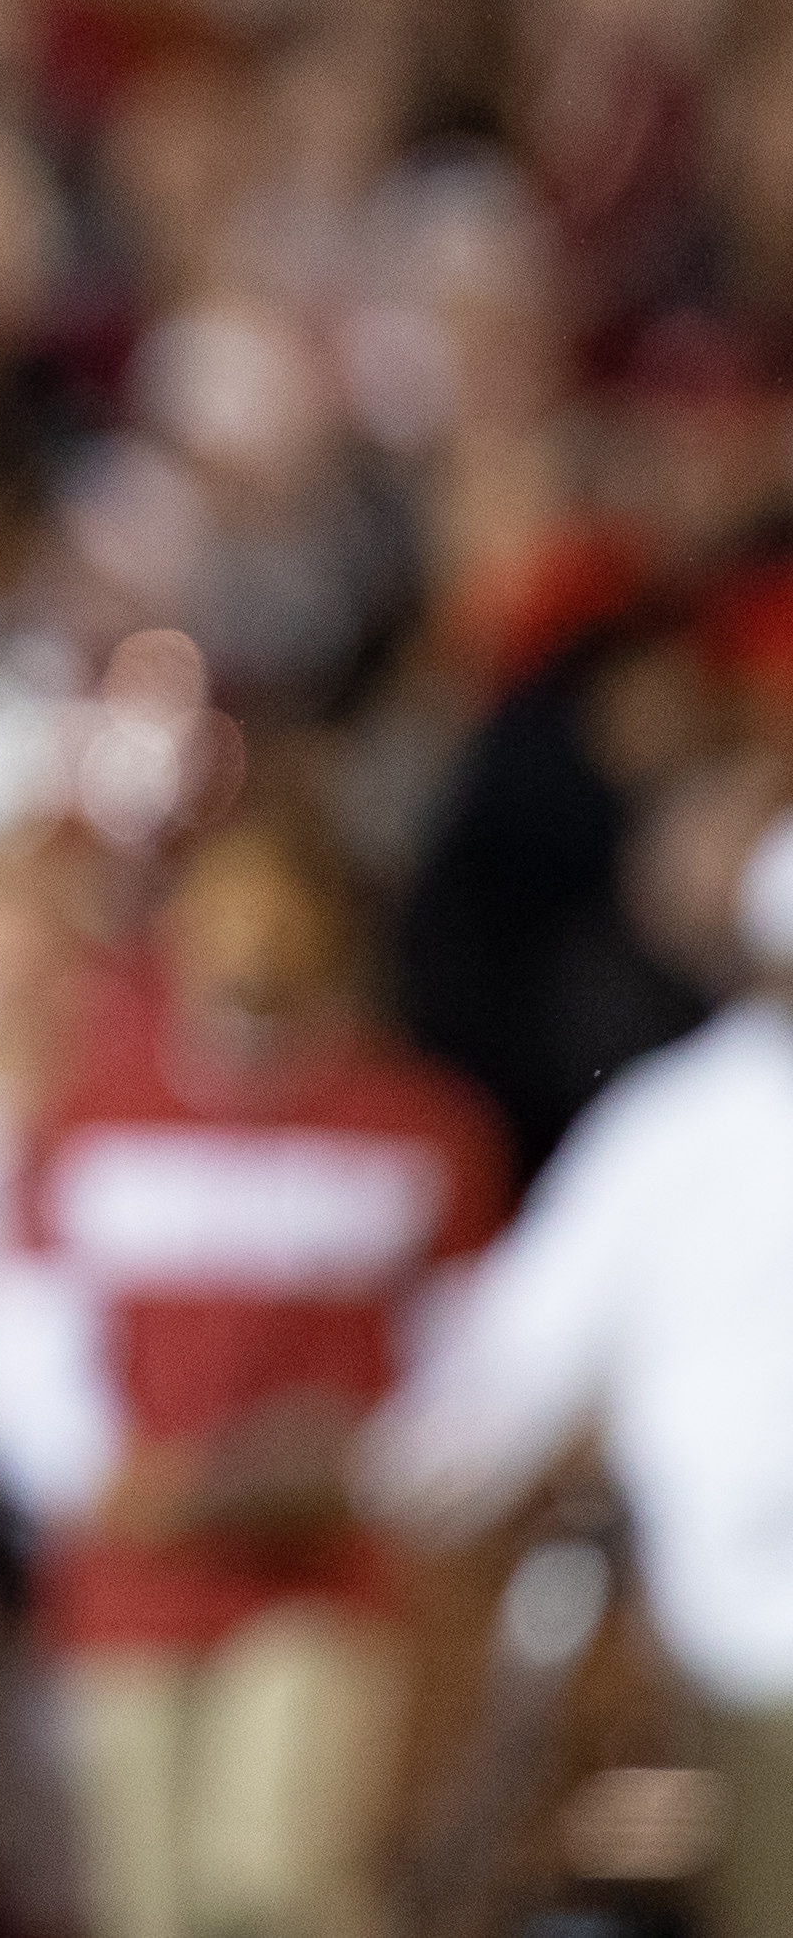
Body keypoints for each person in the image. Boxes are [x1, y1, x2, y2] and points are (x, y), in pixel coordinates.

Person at [0, 810, 504, 1938]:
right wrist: (105, 1473)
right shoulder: (92, 1116)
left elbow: (468, 1367)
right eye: (227, 907)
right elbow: (25, 1345)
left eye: (281, 910)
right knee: (151, 1896)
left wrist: (368, 1471)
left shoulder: (419, 1127)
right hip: (129, 1577)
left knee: (277, 1873)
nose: (253, 938)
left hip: (320, 1570)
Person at [359, 812, 793, 1938]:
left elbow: (511, 1372)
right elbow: (515, 1369)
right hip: (732, 1642)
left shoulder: (675, 1125)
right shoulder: (681, 1129)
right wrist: (400, 1485)